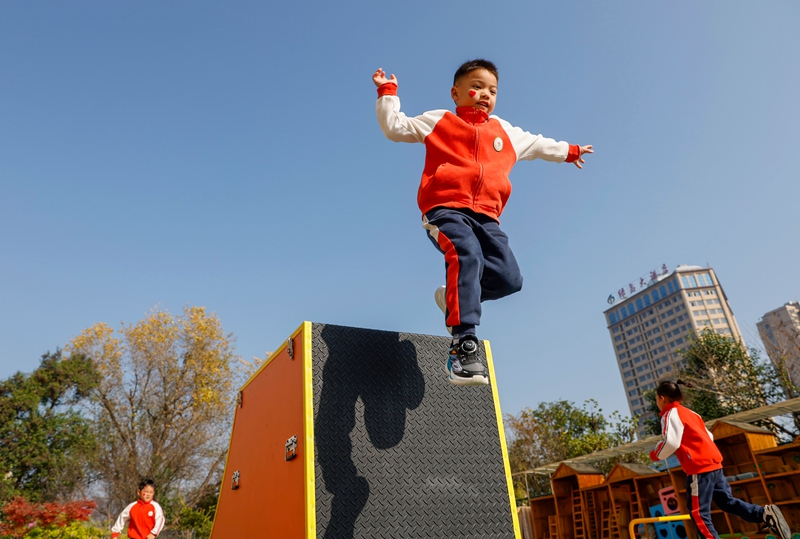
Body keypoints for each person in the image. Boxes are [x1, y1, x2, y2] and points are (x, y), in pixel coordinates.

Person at [373, 59, 592, 386]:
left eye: (492, 90)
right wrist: (388, 92)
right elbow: (395, 127)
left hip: (488, 218)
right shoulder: (439, 120)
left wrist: (570, 151)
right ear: (456, 92)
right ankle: (463, 348)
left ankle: (453, 298)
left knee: (509, 278)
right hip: (445, 209)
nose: (485, 95)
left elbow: (539, 143)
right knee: (467, 256)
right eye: (476, 87)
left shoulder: (506, 132)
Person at [650, 380, 791, 539]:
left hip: (699, 468)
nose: (657, 403)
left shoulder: (670, 414)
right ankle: (764, 514)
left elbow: (671, 442)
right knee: (726, 502)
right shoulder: (692, 413)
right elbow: (709, 435)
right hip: (714, 465)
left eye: (656, 399)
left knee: (698, 514)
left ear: (662, 398)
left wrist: (656, 454)